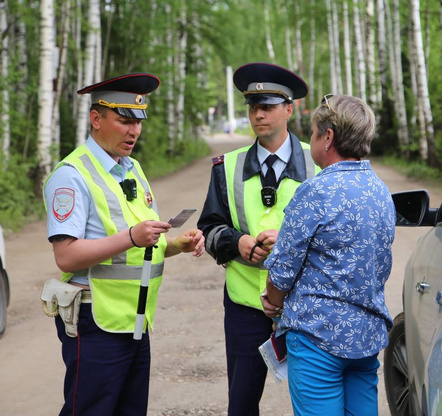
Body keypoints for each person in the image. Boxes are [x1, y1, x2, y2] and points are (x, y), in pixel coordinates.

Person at [43, 73, 205, 416]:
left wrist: (177, 243)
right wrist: (131, 236)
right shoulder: (71, 175)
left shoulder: (131, 169)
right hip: (94, 321)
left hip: (135, 321)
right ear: (96, 118)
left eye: (139, 122)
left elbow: (140, 245)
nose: (134, 131)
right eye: (124, 121)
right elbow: (66, 255)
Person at [261, 94, 396, 416]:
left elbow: (282, 269)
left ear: (328, 137)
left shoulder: (315, 191)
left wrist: (274, 300)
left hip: (317, 336)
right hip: (365, 336)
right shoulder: (380, 189)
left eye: (313, 132)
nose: (310, 139)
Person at [197, 62, 318, 416]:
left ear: (289, 109)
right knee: (242, 402)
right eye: (253, 107)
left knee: (313, 401)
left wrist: (291, 243)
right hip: (245, 306)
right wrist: (237, 243)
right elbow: (210, 227)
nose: (258, 115)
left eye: (267, 106)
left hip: (306, 304)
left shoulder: (320, 163)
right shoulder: (227, 166)